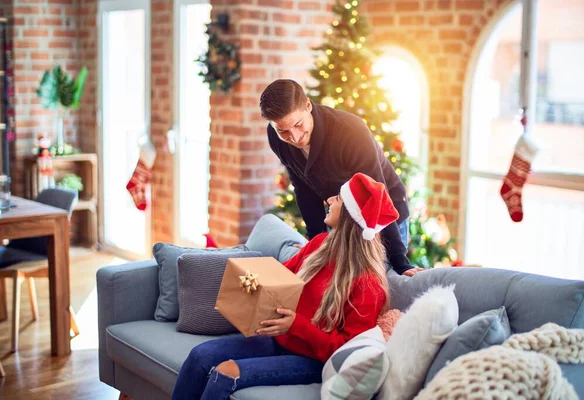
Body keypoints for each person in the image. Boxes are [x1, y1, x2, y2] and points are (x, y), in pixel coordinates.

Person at [172, 173, 398, 400]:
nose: (329, 200)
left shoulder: (369, 285)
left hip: (313, 361)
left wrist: (295, 325)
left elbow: (347, 350)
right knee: (200, 355)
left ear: (351, 215)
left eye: (338, 198)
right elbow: (281, 275)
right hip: (279, 341)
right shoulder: (320, 244)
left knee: (226, 374)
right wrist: (254, 284)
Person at [260, 79, 423, 277]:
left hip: (385, 215)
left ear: (308, 106)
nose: (294, 137)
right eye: (283, 131)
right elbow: (303, 189)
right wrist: (315, 242)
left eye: (298, 124)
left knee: (385, 280)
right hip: (345, 220)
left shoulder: (350, 132)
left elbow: (377, 195)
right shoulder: (276, 137)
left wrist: (400, 262)